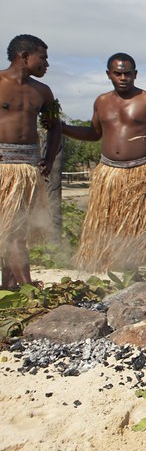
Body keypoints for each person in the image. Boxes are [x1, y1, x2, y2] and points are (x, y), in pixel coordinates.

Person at [60, 53, 146, 274]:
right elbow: (94, 133)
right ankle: (125, 275)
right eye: (118, 73)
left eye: (128, 73)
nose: (123, 78)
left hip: (141, 172)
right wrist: (63, 127)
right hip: (109, 174)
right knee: (111, 226)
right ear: (108, 74)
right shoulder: (101, 101)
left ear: (135, 74)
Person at [0, 34, 61, 288]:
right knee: (12, 229)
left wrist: (48, 158)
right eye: (43, 58)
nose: (47, 64)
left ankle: (9, 287)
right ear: (25, 57)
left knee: (17, 229)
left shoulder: (43, 91)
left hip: (28, 169)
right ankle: (26, 286)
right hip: (3, 166)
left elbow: (54, 128)